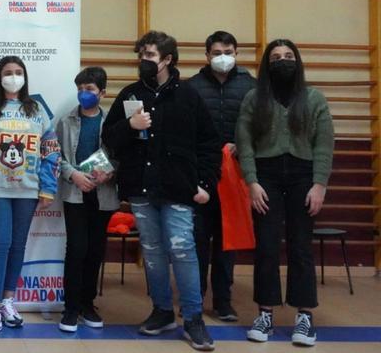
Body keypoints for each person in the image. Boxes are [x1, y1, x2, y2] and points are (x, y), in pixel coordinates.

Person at [102, 31, 220, 351]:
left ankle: (193, 318)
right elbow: (109, 138)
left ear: (168, 59)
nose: (144, 60)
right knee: (152, 254)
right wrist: (131, 126)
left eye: (151, 55)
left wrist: (206, 184)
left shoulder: (189, 95)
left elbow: (210, 144)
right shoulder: (129, 95)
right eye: (142, 54)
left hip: (179, 190)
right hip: (141, 190)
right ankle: (162, 311)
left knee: (183, 252)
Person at [236, 39, 333, 347]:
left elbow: (324, 143)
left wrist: (319, 184)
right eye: (276, 57)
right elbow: (244, 141)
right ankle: (265, 313)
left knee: (301, 247)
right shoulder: (254, 98)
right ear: (267, 64)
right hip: (265, 178)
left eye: (289, 56)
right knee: (266, 246)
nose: (283, 61)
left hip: (304, 178)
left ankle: (304, 317)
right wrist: (251, 182)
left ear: (298, 61)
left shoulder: (314, 98)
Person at [0, 56, 61, 340]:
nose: (14, 77)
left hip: (28, 189)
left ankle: (8, 300)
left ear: (25, 77)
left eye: (19, 72)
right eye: (8, 72)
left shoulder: (36, 110)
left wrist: (48, 187)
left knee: (17, 244)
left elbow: (50, 149)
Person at [187, 30, 257, 322]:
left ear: (236, 53)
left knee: (228, 239)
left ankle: (223, 302)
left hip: (237, 174)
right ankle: (194, 299)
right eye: (216, 53)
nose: (223, 57)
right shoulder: (191, 86)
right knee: (198, 240)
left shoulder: (251, 86)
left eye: (228, 51)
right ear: (207, 55)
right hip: (201, 173)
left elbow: (260, 126)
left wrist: (241, 146)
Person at [56, 66, 118, 332]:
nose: (84, 94)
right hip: (75, 194)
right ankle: (70, 308)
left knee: (95, 250)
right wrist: (73, 176)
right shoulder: (66, 122)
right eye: (80, 89)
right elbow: (55, 156)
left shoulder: (113, 123)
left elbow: (120, 157)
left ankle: (87, 304)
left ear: (102, 93)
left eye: (90, 90)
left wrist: (109, 173)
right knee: (77, 249)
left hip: (103, 195)